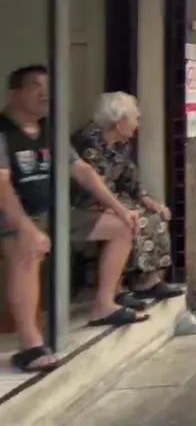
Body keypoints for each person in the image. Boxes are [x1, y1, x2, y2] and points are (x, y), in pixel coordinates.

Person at [0, 66, 146, 374]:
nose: (45, 94)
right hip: (12, 217)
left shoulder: (50, 129)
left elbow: (82, 171)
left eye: (48, 87)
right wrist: (26, 227)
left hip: (55, 214)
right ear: (15, 93)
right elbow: (2, 186)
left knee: (122, 228)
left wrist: (121, 209)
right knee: (28, 248)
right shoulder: (3, 131)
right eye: (35, 86)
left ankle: (104, 305)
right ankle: (30, 345)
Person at [72, 92, 183, 306]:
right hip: (86, 201)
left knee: (155, 215)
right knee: (134, 219)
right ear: (119, 120)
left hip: (114, 197)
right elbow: (94, 186)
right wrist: (120, 208)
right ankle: (118, 287)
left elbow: (129, 179)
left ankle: (148, 281)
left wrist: (147, 199)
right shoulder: (87, 141)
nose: (138, 125)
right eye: (135, 119)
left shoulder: (121, 143)